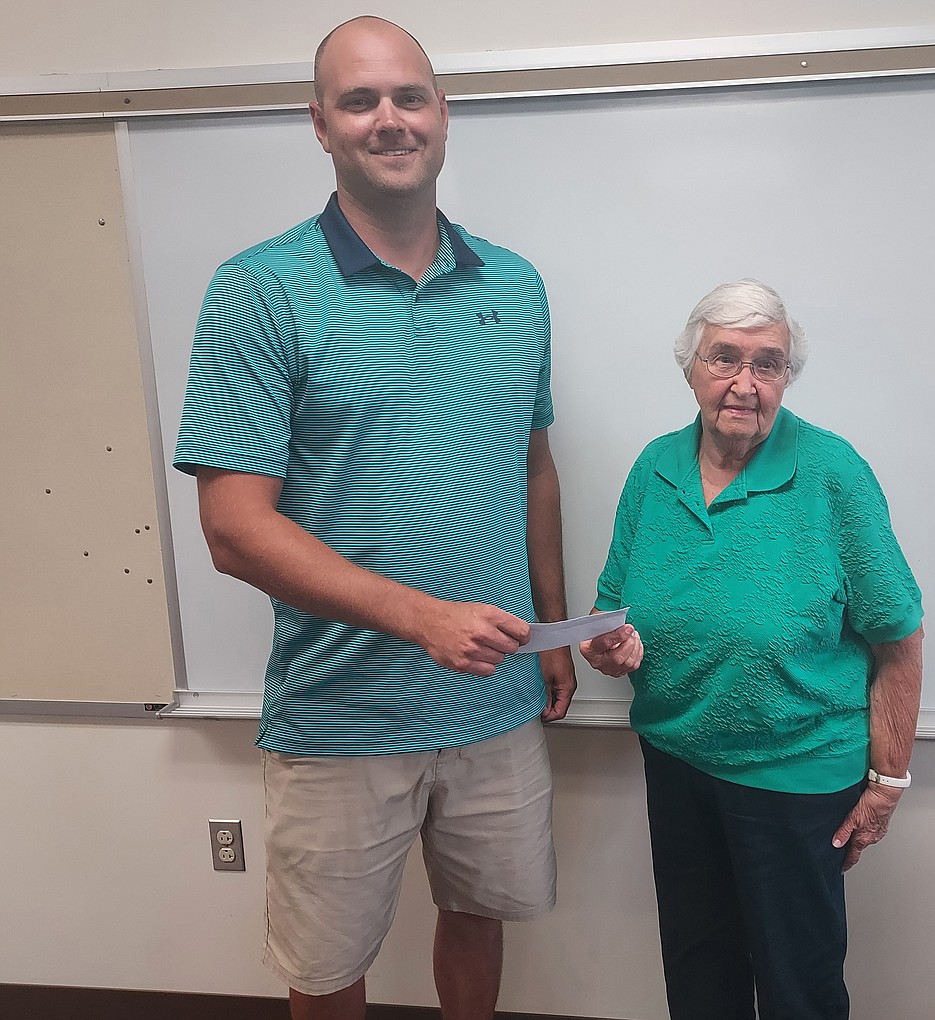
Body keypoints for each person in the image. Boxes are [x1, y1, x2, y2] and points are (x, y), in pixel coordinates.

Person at [173, 17, 577, 1020]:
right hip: (339, 719)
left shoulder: (516, 286)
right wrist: (422, 617)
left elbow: (529, 466)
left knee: (479, 913)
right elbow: (232, 529)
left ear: (444, 115)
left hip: (496, 701)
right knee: (327, 966)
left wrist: (552, 628)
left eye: (408, 96)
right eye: (359, 101)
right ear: (319, 125)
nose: (388, 119)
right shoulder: (259, 291)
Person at [580, 279, 923, 1020]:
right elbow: (611, 611)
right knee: (699, 974)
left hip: (796, 780)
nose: (744, 384)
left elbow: (898, 635)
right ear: (691, 368)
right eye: (724, 358)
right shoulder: (654, 469)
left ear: (787, 377)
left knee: (799, 985)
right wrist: (609, 648)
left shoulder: (832, 473)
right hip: (677, 765)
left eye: (767, 363)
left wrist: (887, 781)